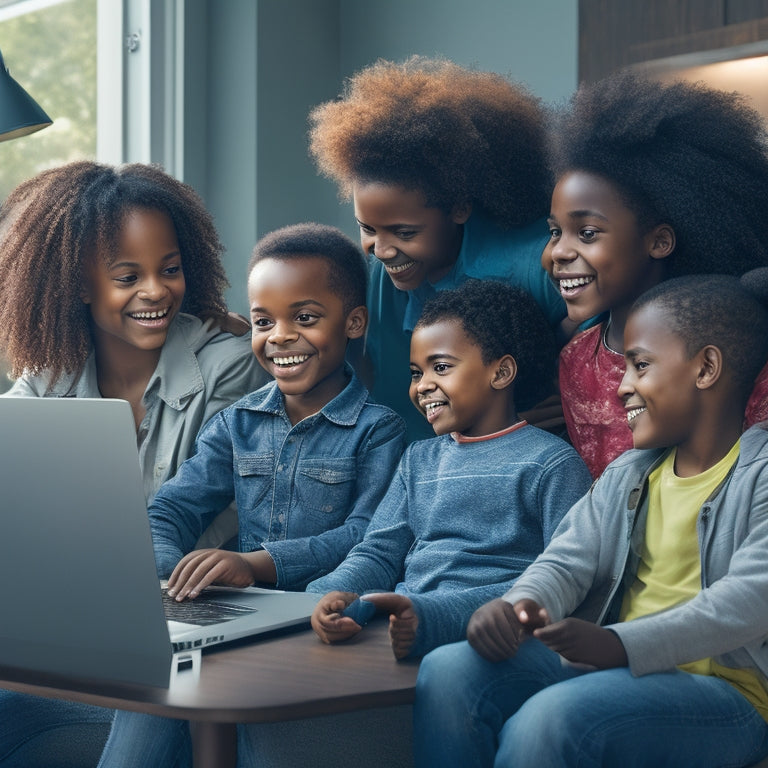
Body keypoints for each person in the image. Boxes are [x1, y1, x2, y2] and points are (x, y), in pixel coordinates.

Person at [414, 272, 768, 768]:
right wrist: (519, 606)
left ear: (706, 367)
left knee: (551, 719)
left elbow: (750, 601)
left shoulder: (761, 473)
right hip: (622, 666)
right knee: (450, 670)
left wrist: (617, 645)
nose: (622, 387)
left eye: (640, 366)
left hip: (730, 696)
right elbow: (566, 557)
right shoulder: (631, 472)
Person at [98, 222, 407, 768]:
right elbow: (170, 509)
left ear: (354, 322)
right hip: (234, 619)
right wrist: (170, 584)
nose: (279, 336)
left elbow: (368, 537)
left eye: (304, 318)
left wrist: (257, 564)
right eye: (263, 321)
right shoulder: (235, 423)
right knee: (158, 678)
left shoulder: (379, 430)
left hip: (321, 620)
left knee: (225, 708)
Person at [0, 160, 268, 767]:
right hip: (81, 619)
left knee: (147, 709)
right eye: (128, 276)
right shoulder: (48, 377)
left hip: (193, 620)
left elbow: (222, 511)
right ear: (78, 285)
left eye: (169, 270)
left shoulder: (229, 367)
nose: (156, 291)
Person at [304, 280, 591, 663]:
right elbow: (379, 553)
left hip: (487, 637)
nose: (423, 386)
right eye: (415, 373)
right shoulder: (418, 459)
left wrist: (436, 615)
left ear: (501, 372)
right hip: (401, 622)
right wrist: (330, 592)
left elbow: (561, 578)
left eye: (440, 367)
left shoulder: (552, 464)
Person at [308, 56, 566, 441]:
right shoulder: (380, 275)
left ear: (459, 208)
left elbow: (605, 346)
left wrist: (572, 395)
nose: (382, 250)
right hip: (415, 463)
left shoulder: (535, 261)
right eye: (368, 229)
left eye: (404, 232)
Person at [543, 70, 768, 477]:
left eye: (587, 232)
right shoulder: (576, 361)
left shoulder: (734, 353)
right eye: (556, 232)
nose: (558, 252)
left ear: (659, 241)